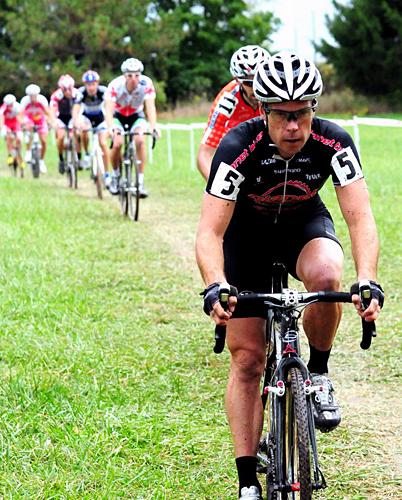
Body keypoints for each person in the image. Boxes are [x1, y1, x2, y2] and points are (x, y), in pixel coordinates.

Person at [195, 51, 384, 499]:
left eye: (302, 113)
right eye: (282, 115)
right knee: (247, 360)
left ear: (314, 109)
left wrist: (368, 278)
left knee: (327, 275)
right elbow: (210, 231)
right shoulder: (237, 146)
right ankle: (247, 481)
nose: (294, 126)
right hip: (246, 236)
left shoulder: (334, 142)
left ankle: (317, 373)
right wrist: (216, 283)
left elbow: (360, 217)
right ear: (263, 112)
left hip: (303, 223)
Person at [197, 45, 269, 181]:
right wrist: (216, 186)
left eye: (260, 81)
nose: (256, 88)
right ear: (237, 80)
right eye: (248, 83)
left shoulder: (275, 95)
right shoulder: (228, 100)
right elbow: (204, 154)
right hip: (240, 149)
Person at [104, 57, 159, 197]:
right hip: (118, 116)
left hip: (136, 115)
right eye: (130, 75)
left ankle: (140, 182)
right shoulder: (115, 85)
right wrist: (110, 127)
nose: (134, 79)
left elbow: (150, 107)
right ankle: (115, 176)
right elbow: (109, 110)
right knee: (117, 144)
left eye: (137, 75)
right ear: (124, 76)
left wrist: (153, 126)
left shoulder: (146, 84)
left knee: (140, 140)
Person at [72, 70, 111, 188]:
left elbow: (109, 107)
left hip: (100, 118)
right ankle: (87, 154)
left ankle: (107, 174)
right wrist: (76, 122)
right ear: (85, 85)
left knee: (103, 143)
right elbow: (76, 109)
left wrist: (109, 124)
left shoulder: (103, 91)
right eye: (88, 85)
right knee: (83, 130)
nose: (91, 87)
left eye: (93, 84)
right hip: (87, 117)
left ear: (97, 83)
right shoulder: (81, 93)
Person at [49, 74, 80, 174]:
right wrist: (53, 121)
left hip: (73, 117)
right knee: (61, 136)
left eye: (69, 89)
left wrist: (78, 122)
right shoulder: (56, 96)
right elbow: (52, 110)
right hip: (61, 117)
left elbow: (81, 108)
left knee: (76, 134)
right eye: (64, 90)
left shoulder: (77, 94)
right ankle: (61, 158)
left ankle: (79, 156)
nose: (67, 92)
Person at [19, 84, 52, 173]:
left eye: (34, 95)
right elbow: (21, 114)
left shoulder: (42, 100)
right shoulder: (25, 101)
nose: (33, 98)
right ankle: (28, 151)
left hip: (40, 119)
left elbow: (48, 113)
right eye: (31, 96)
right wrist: (22, 123)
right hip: (29, 119)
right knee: (29, 129)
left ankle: (41, 161)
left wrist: (49, 121)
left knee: (43, 141)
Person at [0, 94, 24, 172]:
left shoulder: (18, 107)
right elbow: (1, 119)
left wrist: (22, 124)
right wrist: (2, 128)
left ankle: (19, 154)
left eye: (11, 104)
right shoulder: (3, 108)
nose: (10, 106)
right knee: (9, 137)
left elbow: (20, 118)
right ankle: (10, 154)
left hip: (15, 124)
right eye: (8, 105)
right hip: (7, 125)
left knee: (19, 139)